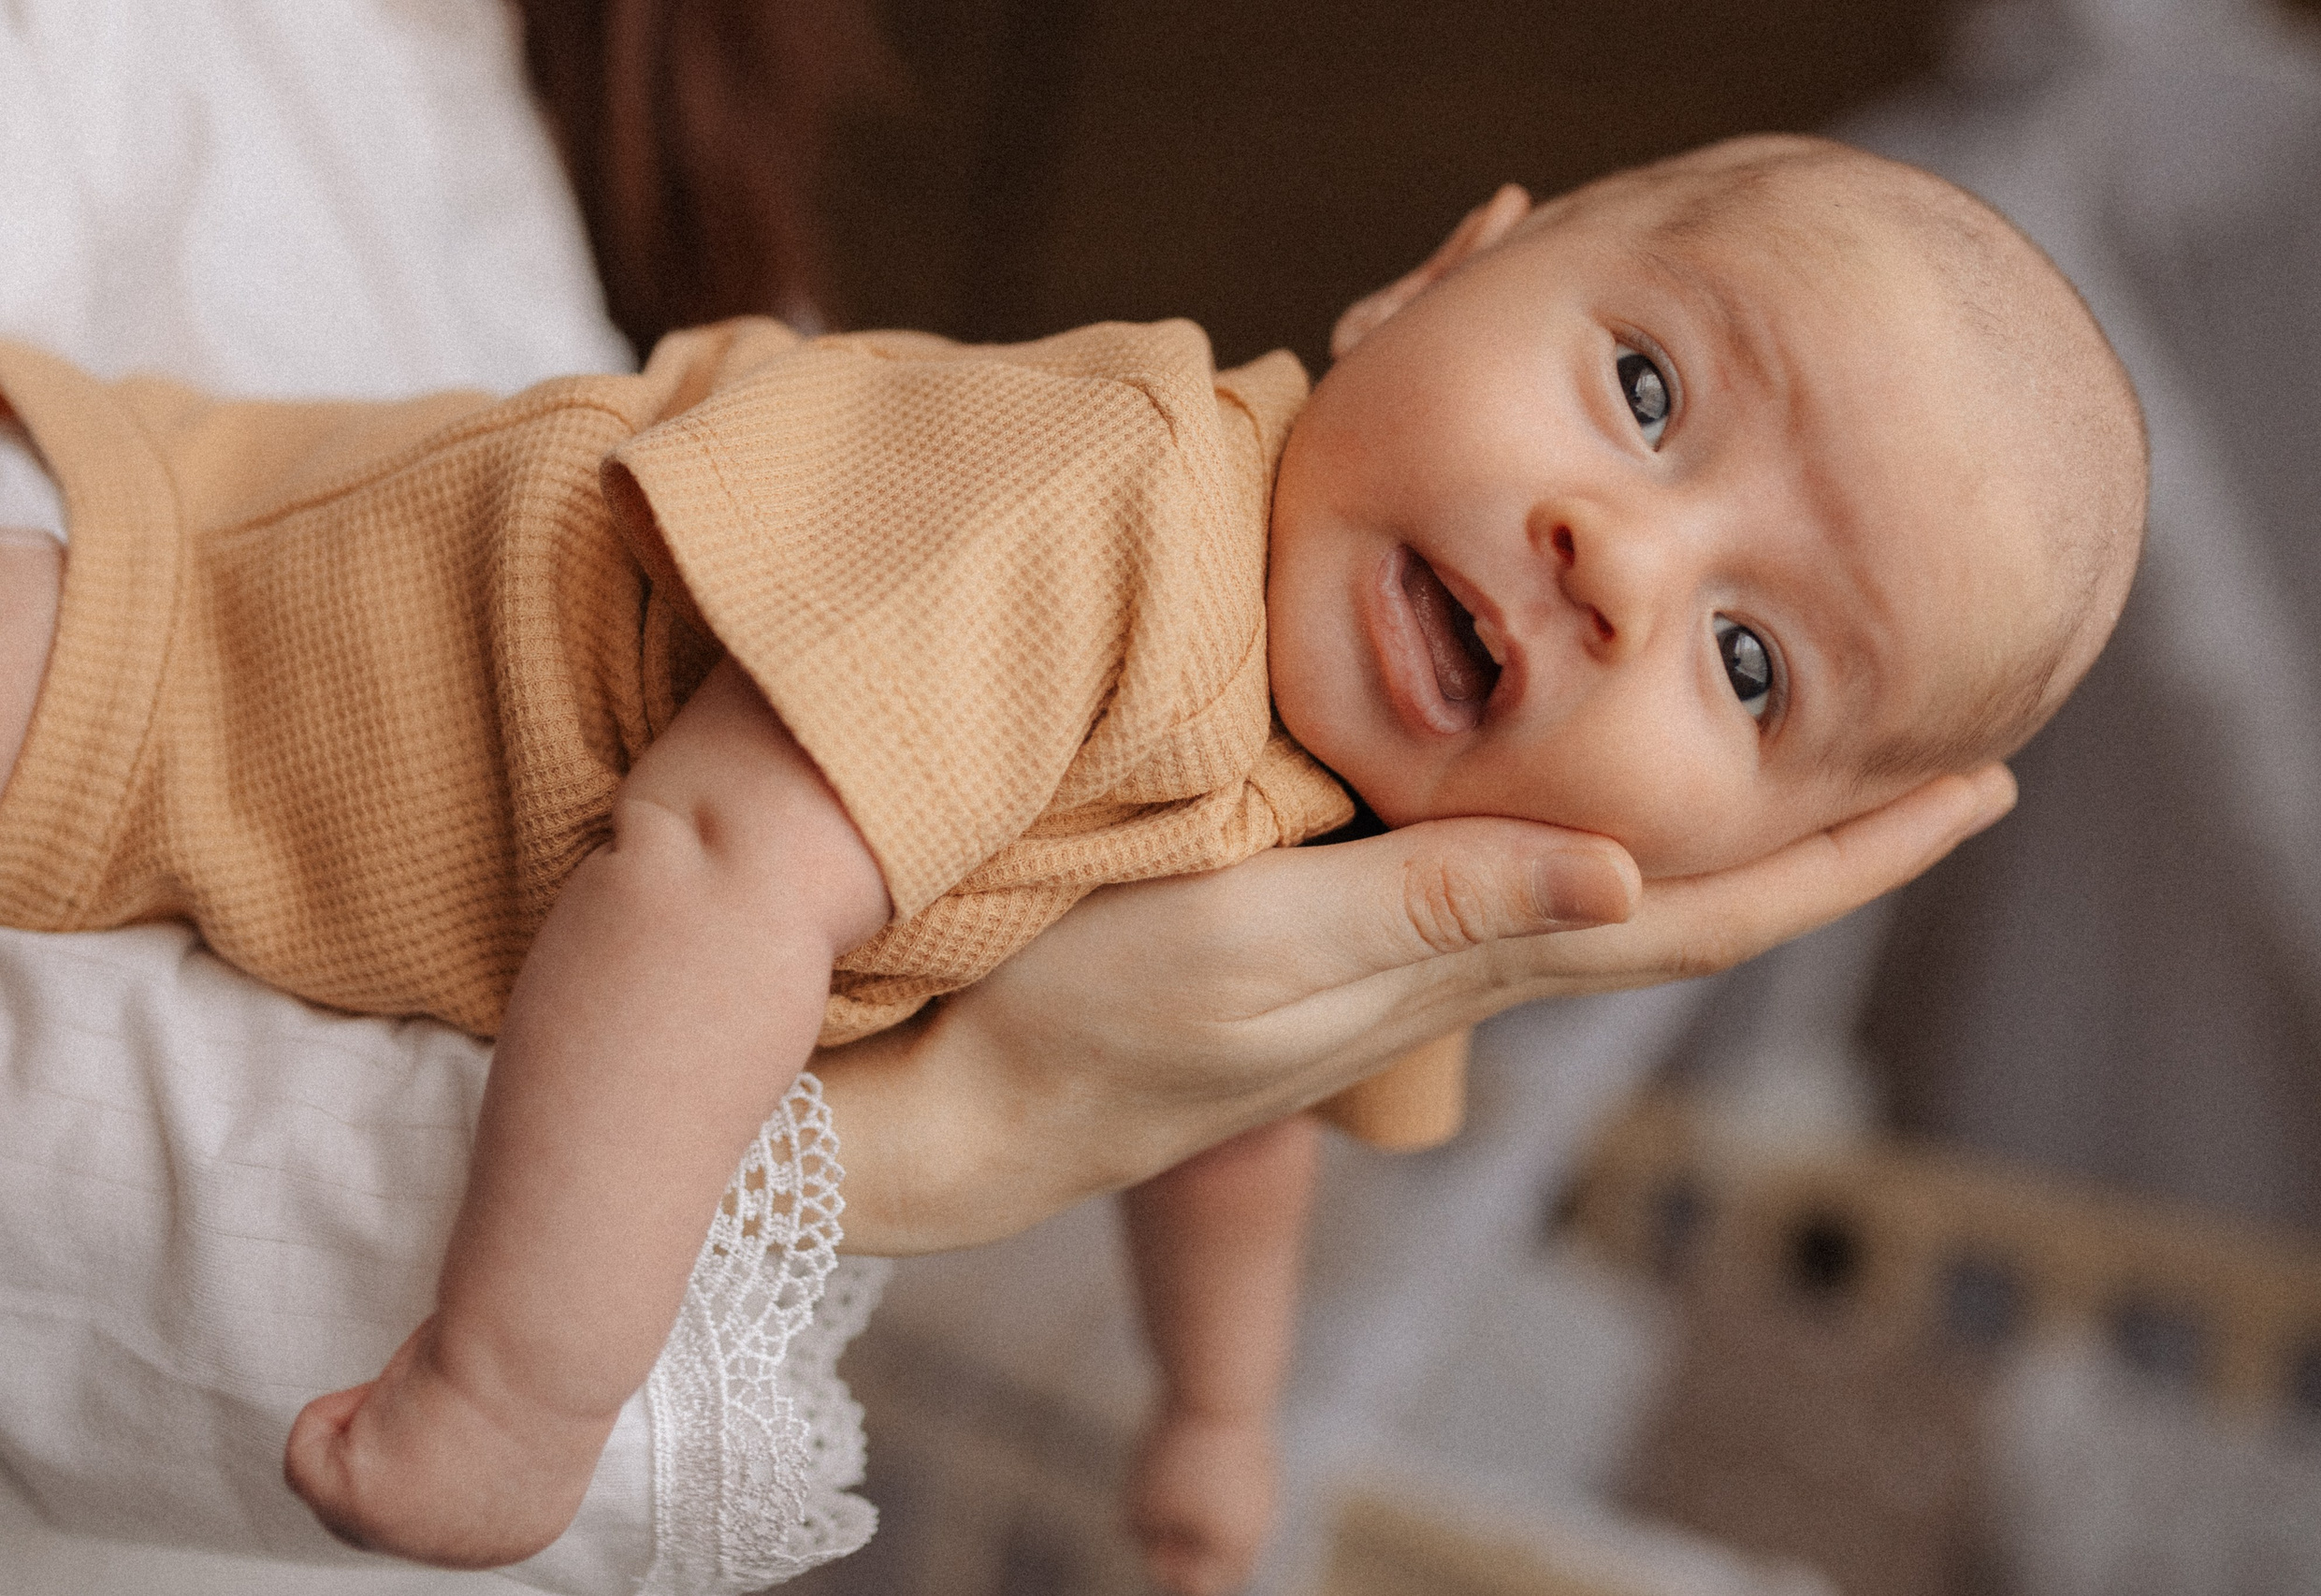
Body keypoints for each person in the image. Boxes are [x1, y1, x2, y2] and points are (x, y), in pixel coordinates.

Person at [0, 133, 2139, 1591]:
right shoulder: (1111, 513)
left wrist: (1215, 1412)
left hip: (292, 836)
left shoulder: (1357, 842)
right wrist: (513, 1390)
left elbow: (1229, 1111)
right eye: (1644, 387)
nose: (1616, 557)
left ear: (1760, 856)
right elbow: (714, 860)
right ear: (1444, 273)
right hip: (192, 643)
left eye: (1747, 661)